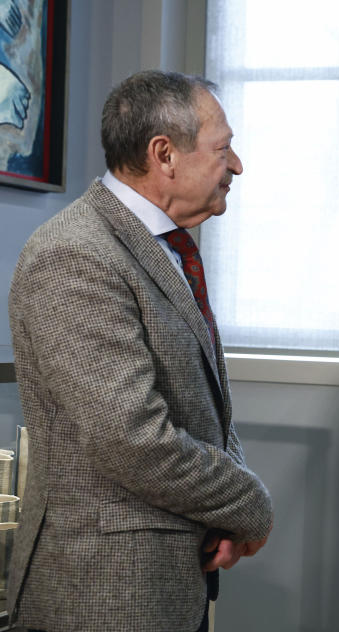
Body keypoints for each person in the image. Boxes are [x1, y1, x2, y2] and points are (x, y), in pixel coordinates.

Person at [7, 70, 273, 632]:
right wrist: (248, 504)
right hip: (103, 595)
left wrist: (224, 514)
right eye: (224, 148)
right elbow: (133, 440)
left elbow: (200, 400)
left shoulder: (167, 247)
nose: (238, 166)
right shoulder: (75, 254)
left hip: (167, 587)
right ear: (164, 154)